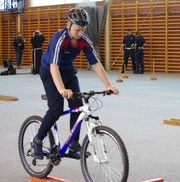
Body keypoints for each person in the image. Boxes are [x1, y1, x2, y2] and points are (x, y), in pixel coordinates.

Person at [31, 8, 119, 160]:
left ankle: (73, 145)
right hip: (50, 72)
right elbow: (54, 67)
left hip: (68, 73)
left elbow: (95, 63)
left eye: (82, 30)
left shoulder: (83, 40)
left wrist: (108, 85)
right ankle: (37, 140)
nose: (80, 33)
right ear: (68, 25)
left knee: (78, 106)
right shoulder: (59, 39)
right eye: (77, 29)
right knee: (56, 109)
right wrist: (61, 89)